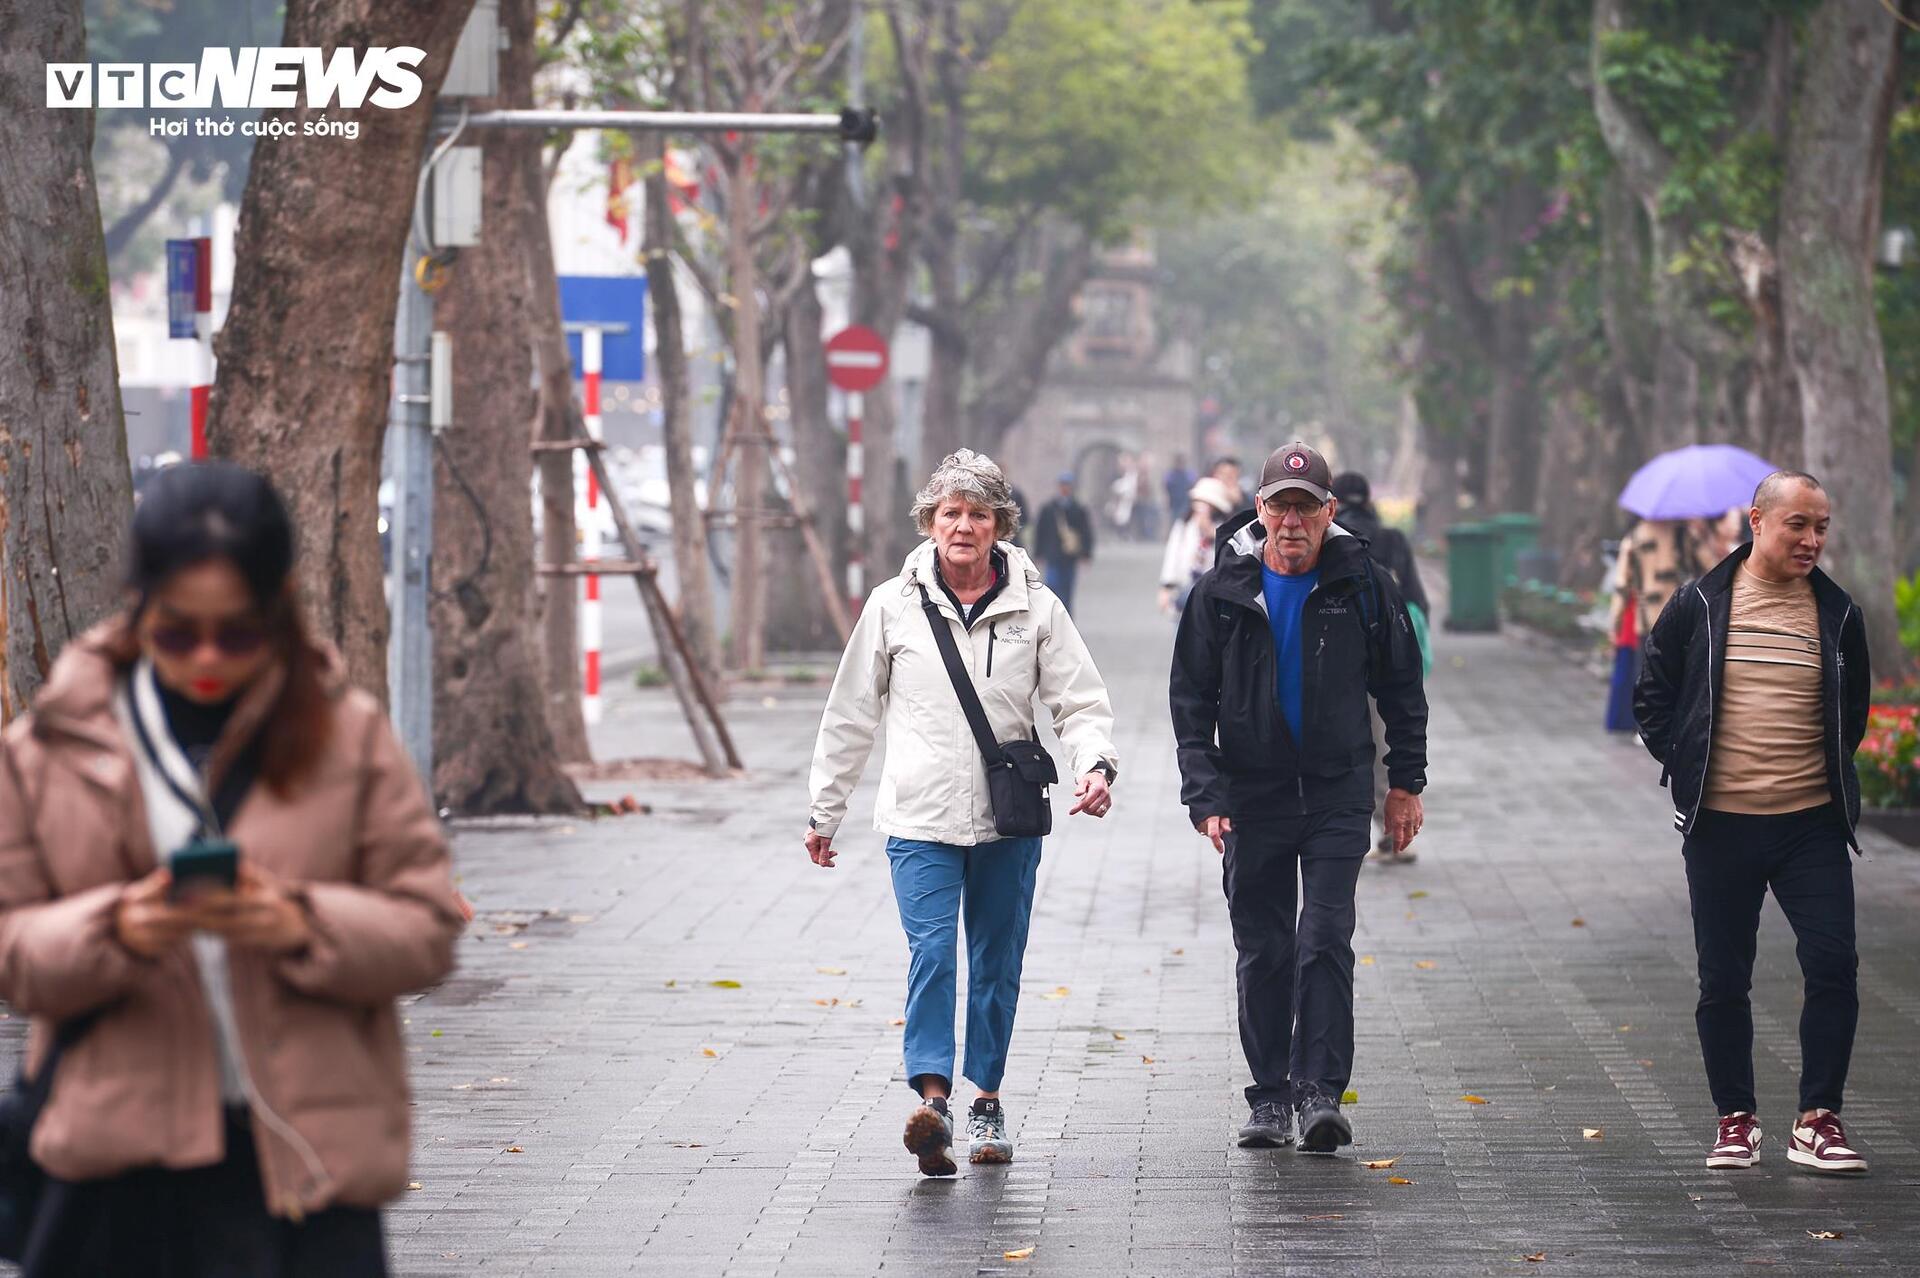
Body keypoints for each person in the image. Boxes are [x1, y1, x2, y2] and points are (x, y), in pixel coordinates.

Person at [0, 462, 466, 1276]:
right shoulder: (50, 749)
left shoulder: (346, 737)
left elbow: (427, 929)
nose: (206, 658)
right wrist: (115, 928)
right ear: (137, 606)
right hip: (116, 1168)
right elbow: (12, 952)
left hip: (305, 1171)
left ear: (278, 611)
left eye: (238, 633)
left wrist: (303, 923)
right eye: (178, 631)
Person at [806, 450, 1119, 1178]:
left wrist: (1095, 766)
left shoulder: (1036, 607)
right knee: (933, 954)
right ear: (930, 523)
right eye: (951, 513)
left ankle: (986, 1101)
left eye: (980, 515)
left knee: (996, 962)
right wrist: (826, 811)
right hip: (918, 819)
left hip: (1007, 822)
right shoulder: (891, 605)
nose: (965, 527)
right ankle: (934, 1100)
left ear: (1001, 527)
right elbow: (850, 714)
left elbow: (1080, 701)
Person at [1170, 442, 1428, 1156]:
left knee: (1323, 937)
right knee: (1263, 947)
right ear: (1260, 510)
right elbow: (1190, 702)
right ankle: (1269, 1096)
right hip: (1251, 795)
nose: (1292, 521)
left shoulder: (1363, 583)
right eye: (1280, 506)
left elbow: (1403, 689)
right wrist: (1206, 793)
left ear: (1327, 513)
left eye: (1305, 508)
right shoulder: (1220, 591)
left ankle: (1320, 1091)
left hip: (1338, 790)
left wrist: (1404, 784)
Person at [1634, 471, 1872, 1176]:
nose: (1812, 539)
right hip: (1721, 826)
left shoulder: (1839, 613)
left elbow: (1849, 714)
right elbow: (1655, 696)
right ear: (1757, 520)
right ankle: (1734, 1120)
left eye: (1822, 526)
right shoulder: (1700, 603)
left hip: (1811, 825)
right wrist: (1688, 767)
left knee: (1834, 964)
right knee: (1723, 978)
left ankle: (1818, 1119)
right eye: (1798, 523)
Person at [1330, 472, 1432, 864]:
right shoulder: (1390, 539)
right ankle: (1390, 827)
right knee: (1384, 743)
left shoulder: (1329, 542)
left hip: (1338, 667)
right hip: (1387, 663)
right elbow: (1418, 600)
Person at [1157, 476, 1239, 615]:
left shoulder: (1225, 529)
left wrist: (1212, 533)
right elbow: (1172, 557)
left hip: (1214, 593)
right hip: (1184, 588)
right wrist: (1166, 587)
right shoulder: (1184, 526)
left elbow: (1229, 560)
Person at [1033, 471, 1096, 612]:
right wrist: (1038, 553)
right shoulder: (1048, 508)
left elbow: (1086, 532)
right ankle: (1051, 616)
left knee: (1067, 589)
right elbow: (1040, 531)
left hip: (1069, 556)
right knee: (1052, 586)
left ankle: (1065, 617)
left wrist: (1086, 554)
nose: (1065, 488)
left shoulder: (1078, 509)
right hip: (1053, 554)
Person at [1163, 453, 1198, 526]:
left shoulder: (1189, 474)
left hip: (1186, 504)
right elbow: (1166, 486)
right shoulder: (1171, 475)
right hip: (1174, 504)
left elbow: (1193, 485)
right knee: (1175, 524)